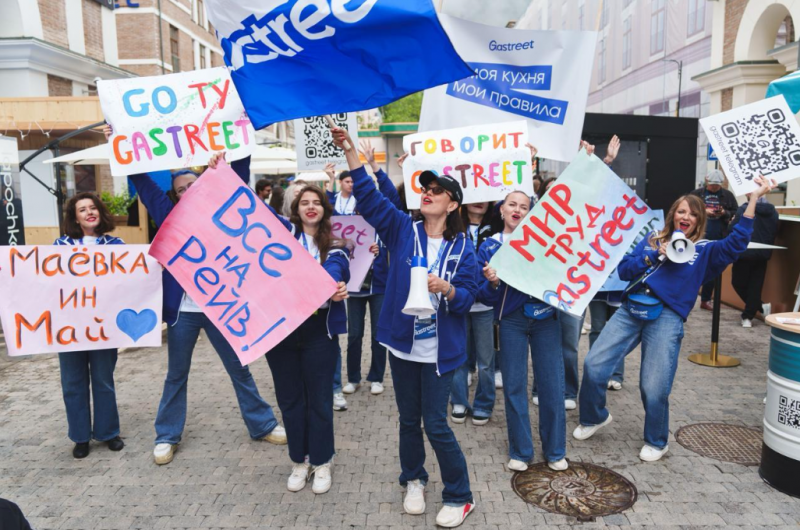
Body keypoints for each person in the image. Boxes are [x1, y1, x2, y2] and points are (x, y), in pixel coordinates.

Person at [105, 125, 287, 465]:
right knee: (176, 373)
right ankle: (167, 435)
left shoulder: (221, 211)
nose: (187, 191)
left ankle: (262, 424)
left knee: (240, 368)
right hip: (183, 312)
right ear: (173, 197)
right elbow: (143, 184)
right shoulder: (169, 216)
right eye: (180, 189)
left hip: (222, 307)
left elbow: (240, 175)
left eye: (192, 185)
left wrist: (237, 140)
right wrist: (120, 141)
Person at [333, 126, 477, 528]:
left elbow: (468, 298)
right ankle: (413, 478)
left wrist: (447, 288)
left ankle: (459, 495)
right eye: (424, 188)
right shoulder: (401, 228)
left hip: (440, 352)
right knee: (408, 420)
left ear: (452, 204)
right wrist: (351, 154)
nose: (427, 192)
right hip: (402, 346)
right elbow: (369, 197)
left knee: (435, 422)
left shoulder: (465, 246)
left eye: (438, 189)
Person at [574, 177, 775, 462]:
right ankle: (594, 416)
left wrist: (753, 200)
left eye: (693, 214)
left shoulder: (704, 250)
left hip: (666, 318)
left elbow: (736, 243)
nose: (686, 217)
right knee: (594, 365)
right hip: (632, 309)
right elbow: (623, 270)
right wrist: (652, 256)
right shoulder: (652, 239)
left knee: (654, 386)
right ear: (673, 214)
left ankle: (657, 441)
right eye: (682, 211)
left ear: (699, 220)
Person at [263, 185, 350, 494]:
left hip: (317, 334)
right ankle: (299, 460)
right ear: (295, 209)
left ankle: (323, 460)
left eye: (317, 202)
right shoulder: (281, 235)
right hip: (281, 331)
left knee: (319, 399)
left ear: (325, 209)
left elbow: (337, 267)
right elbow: (250, 211)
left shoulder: (337, 243)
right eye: (304, 203)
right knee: (290, 400)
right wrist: (228, 167)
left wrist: (330, 284)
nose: (311, 207)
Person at [481, 190, 569, 473]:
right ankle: (520, 451)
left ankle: (555, 451)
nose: (518, 209)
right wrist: (493, 283)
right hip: (511, 322)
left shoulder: (546, 242)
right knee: (515, 386)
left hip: (546, 320)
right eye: (512, 205)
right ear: (502, 210)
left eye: (525, 206)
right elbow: (482, 295)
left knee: (552, 385)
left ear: (532, 213)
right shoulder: (489, 246)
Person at [54, 192, 125, 459]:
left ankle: (108, 432)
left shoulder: (117, 245)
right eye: (82, 210)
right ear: (75, 217)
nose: (89, 212)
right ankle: (80, 436)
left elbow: (131, 279)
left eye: (93, 208)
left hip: (103, 327)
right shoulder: (59, 246)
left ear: (100, 212)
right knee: (73, 382)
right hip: (69, 328)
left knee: (103, 381)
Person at [339, 141, 401, 398]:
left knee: (379, 333)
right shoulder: (347, 223)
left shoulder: (386, 221)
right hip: (355, 286)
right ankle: (353, 377)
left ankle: (376, 376)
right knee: (354, 334)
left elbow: (393, 198)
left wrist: (374, 166)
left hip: (380, 285)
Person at [450, 201, 496, 424]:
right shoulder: (453, 228)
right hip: (458, 301)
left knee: (486, 361)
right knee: (458, 355)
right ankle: (459, 401)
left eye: (485, 197)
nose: (480, 201)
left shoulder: (496, 228)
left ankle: (484, 404)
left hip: (485, 306)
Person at [690, 170, 738, 310]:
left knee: (713, 269)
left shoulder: (727, 196)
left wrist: (724, 213)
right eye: (711, 185)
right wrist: (703, 212)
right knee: (693, 267)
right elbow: (686, 210)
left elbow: (736, 212)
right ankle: (688, 297)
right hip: (698, 236)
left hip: (718, 237)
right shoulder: (696, 194)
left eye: (716, 186)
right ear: (706, 181)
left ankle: (705, 299)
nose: (714, 188)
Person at [730, 194, 779, 328]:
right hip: (763, 253)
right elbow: (774, 230)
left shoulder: (744, 210)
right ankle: (751, 314)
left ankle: (755, 311)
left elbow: (733, 229)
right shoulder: (773, 212)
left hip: (744, 252)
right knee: (755, 286)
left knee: (737, 283)